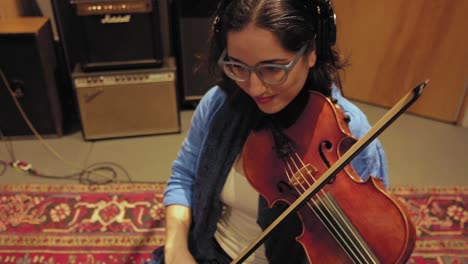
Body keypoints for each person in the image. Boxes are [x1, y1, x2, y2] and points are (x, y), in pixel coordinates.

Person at [151, 0, 388, 263]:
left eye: (273, 69)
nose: (254, 88)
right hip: (208, 252)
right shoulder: (219, 104)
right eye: (238, 66)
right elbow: (185, 175)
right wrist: (176, 248)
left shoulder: (350, 135)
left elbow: (367, 236)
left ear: (312, 52)